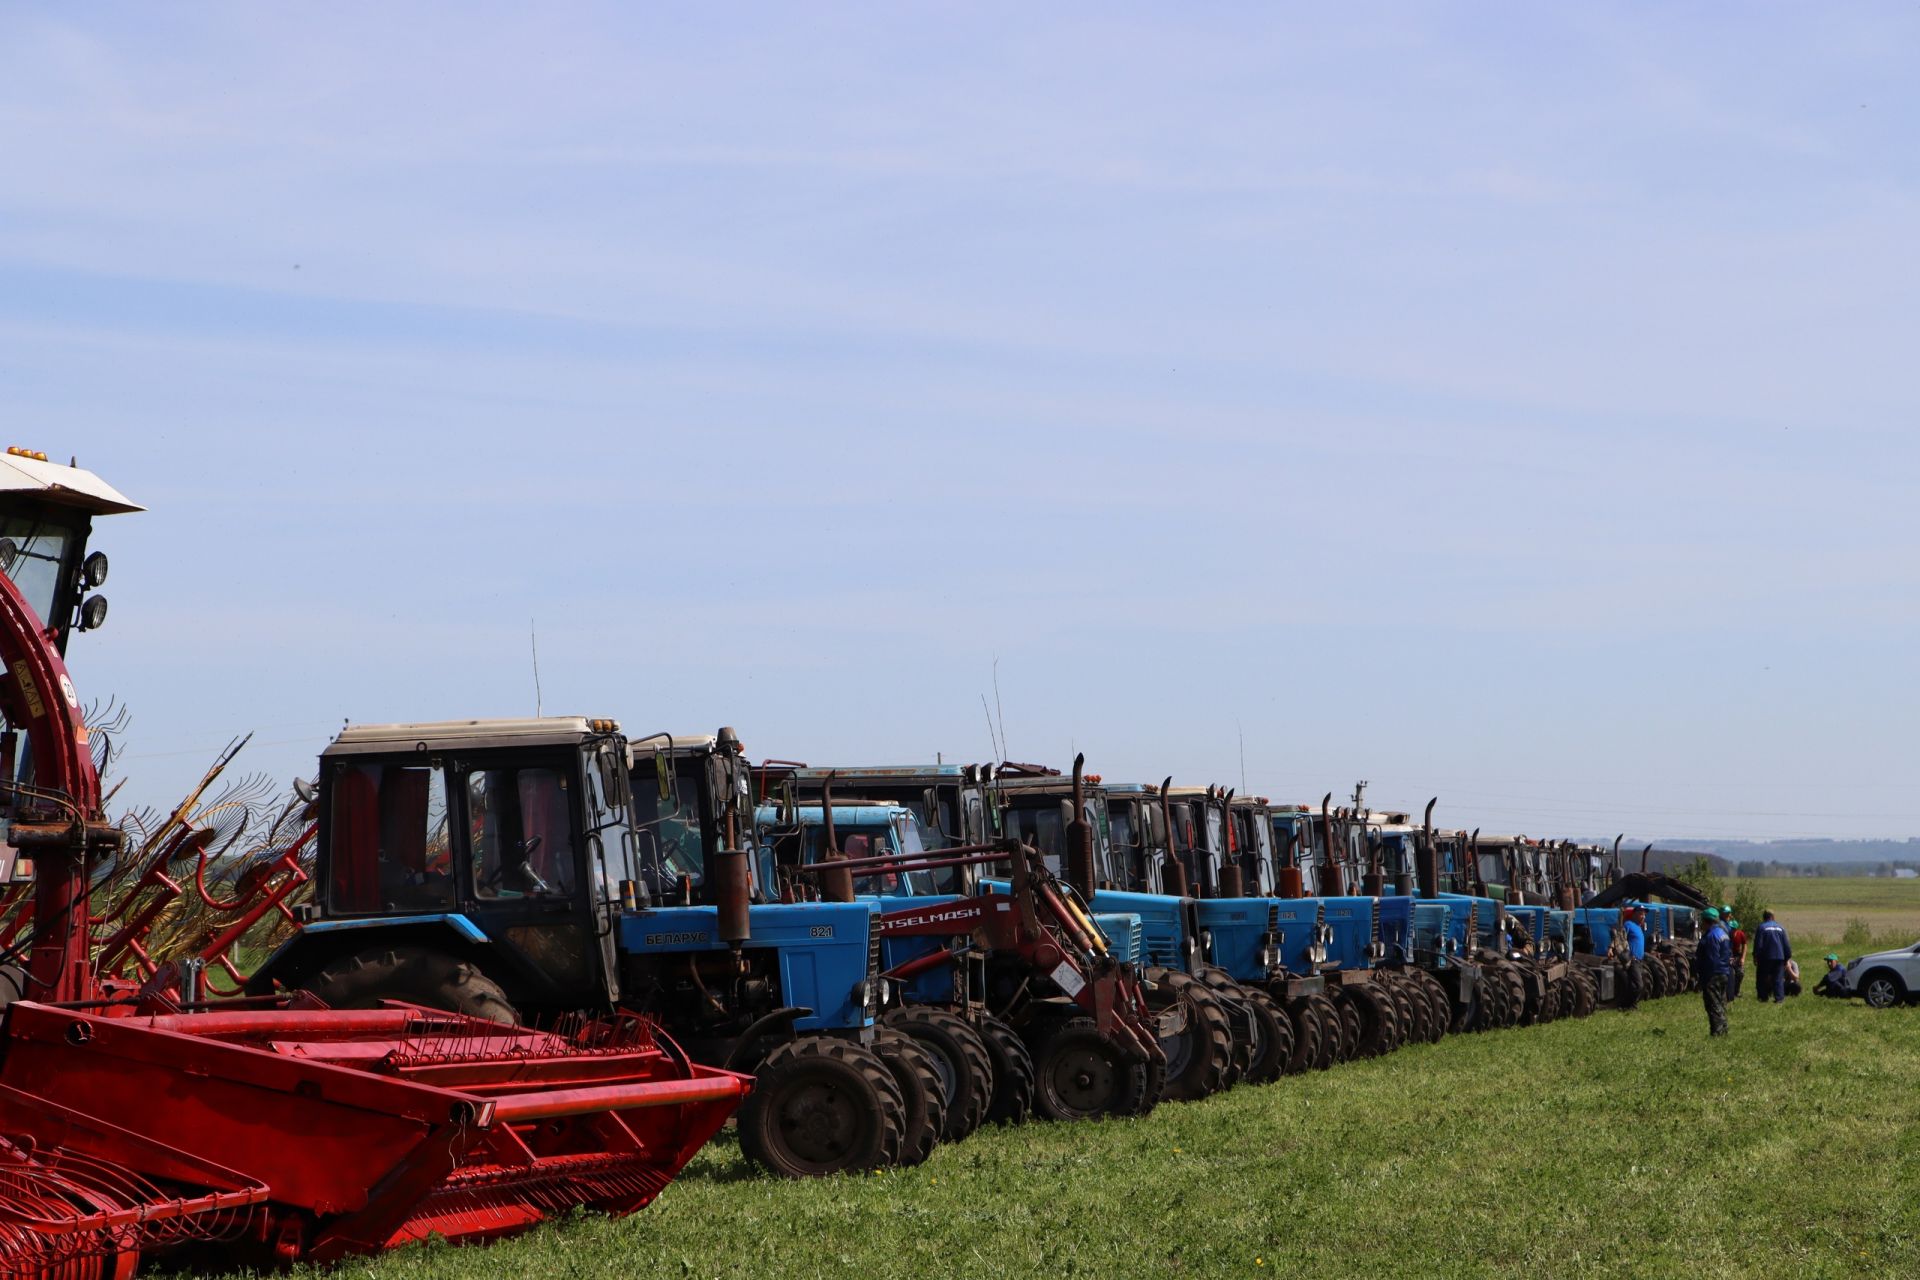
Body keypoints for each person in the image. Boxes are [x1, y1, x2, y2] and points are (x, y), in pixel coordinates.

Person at [1695, 908, 1731, 1035]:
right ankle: (1724, 1029)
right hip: (1724, 972)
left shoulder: (1711, 936)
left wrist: (1705, 977)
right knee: (1721, 1002)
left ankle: (1717, 1032)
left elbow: (1711, 959)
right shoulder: (1723, 933)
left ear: (1706, 921)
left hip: (1713, 975)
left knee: (1713, 1004)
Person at [1752, 910, 1792, 1003]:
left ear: (1764, 917)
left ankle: (1763, 997)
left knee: (1762, 978)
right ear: (1773, 917)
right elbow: (1786, 944)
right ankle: (1779, 998)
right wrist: (1787, 957)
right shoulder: (1781, 928)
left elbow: (1758, 944)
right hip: (1779, 957)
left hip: (1765, 958)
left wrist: (1755, 956)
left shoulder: (1761, 927)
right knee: (1778, 978)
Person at [1619, 906, 1647, 1011]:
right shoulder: (1628, 925)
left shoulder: (1639, 927)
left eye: (1644, 914)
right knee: (1638, 985)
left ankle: (1630, 1005)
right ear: (1634, 914)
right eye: (1641, 914)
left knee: (1636, 984)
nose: (1643, 916)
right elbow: (1620, 938)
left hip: (1640, 960)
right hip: (1632, 959)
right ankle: (1628, 1005)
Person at [1727, 917, 1749, 1000]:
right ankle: (1728, 991)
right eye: (1730, 928)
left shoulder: (1740, 934)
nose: (1731, 929)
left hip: (1737, 956)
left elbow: (1745, 945)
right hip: (1728, 956)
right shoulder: (1726, 934)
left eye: (1732, 928)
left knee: (1740, 973)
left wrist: (1742, 958)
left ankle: (1736, 991)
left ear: (1736, 929)